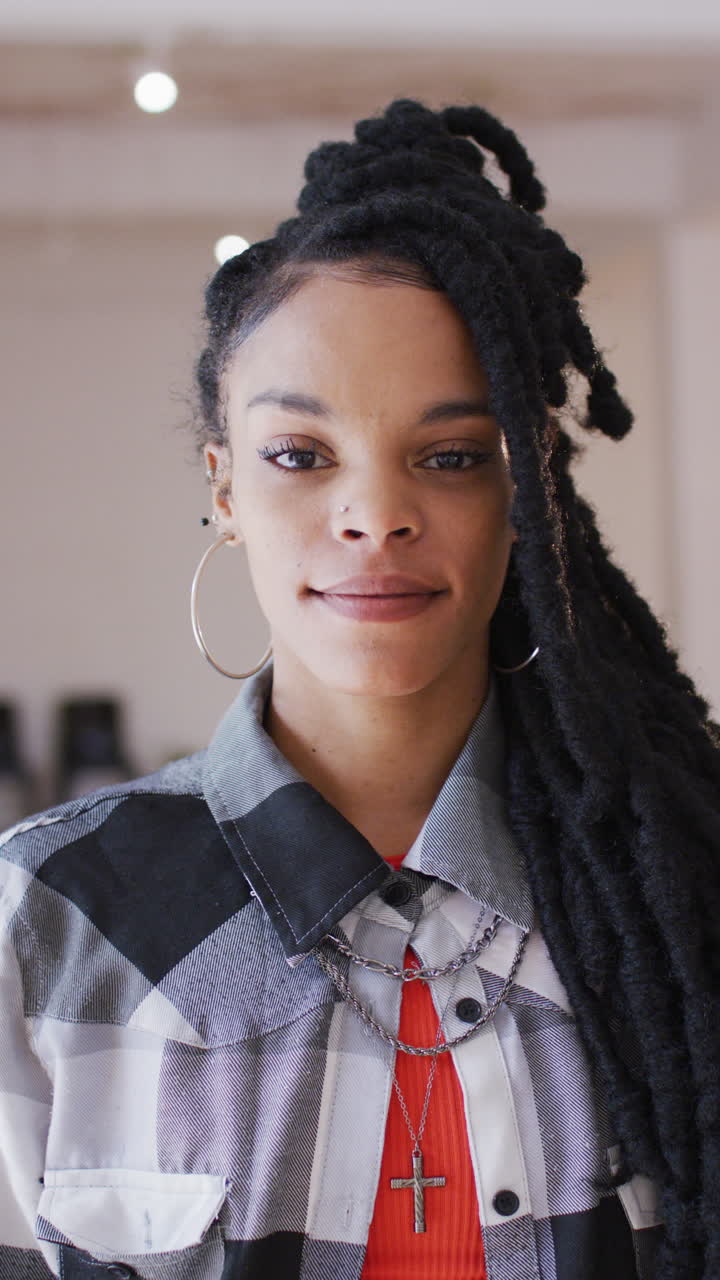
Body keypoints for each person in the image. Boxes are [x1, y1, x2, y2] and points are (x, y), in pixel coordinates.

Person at [0, 97, 717, 1280]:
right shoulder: (48, 919)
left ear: (530, 491)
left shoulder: (681, 899)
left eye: (449, 456)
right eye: (301, 455)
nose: (375, 514)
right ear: (225, 489)